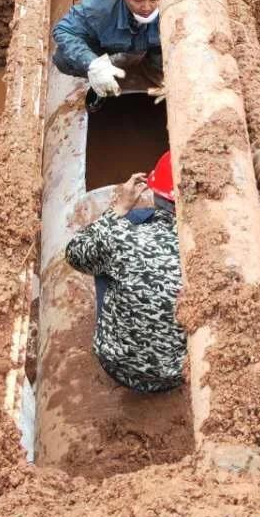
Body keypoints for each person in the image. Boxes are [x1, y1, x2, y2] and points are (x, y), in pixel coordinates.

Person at [65, 151, 186, 394]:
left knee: (101, 255)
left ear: (156, 193)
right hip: (176, 376)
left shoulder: (123, 238)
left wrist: (118, 209)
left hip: (118, 366)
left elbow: (75, 254)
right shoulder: (219, 257)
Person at [51, 0, 162, 98]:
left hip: (157, 44)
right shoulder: (99, 5)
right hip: (110, 41)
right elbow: (63, 30)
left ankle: (153, 71)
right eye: (137, 0)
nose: (146, 7)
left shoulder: (176, 0)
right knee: (63, 59)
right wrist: (92, 64)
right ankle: (103, 77)